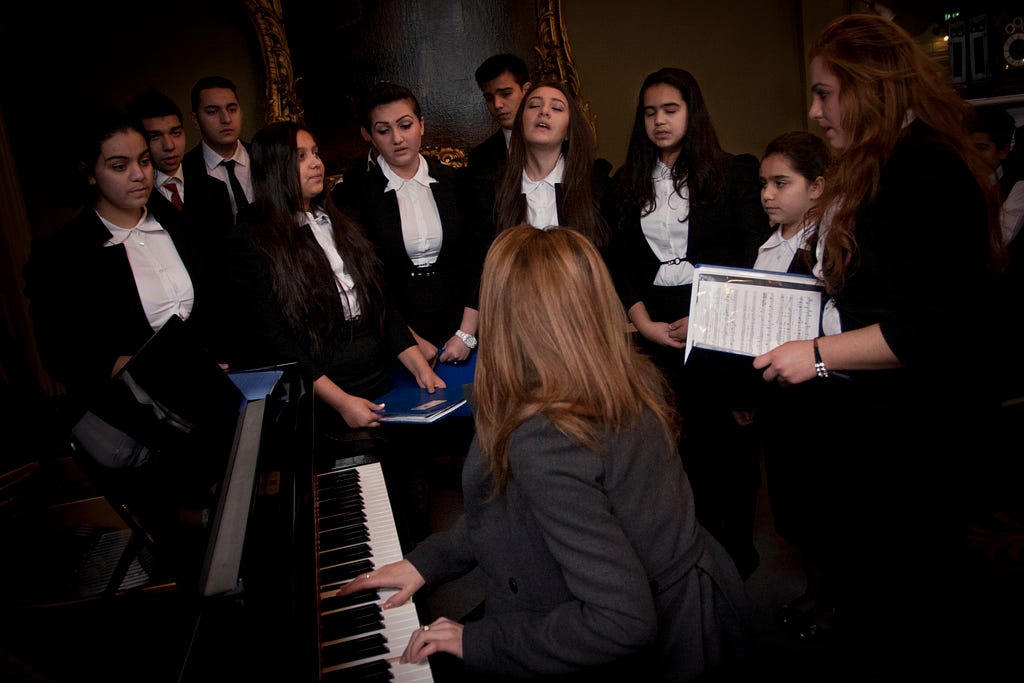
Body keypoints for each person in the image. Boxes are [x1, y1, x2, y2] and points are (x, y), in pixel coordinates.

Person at [337, 225, 753, 683]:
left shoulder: (547, 436)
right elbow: (512, 511)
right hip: (693, 592)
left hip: (651, 634)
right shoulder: (625, 373)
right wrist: (429, 561)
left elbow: (622, 622)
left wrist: (478, 642)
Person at [753, 14, 1006, 680]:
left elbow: (926, 326)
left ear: (870, 87)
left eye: (825, 93)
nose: (814, 110)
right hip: (885, 435)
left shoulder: (926, 169)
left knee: (912, 612)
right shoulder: (888, 162)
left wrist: (815, 354)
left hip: (919, 444)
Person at [223, 120, 444, 545]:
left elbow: (380, 304)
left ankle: (419, 569)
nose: (315, 164)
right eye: (301, 156)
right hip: (323, 396)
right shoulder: (251, 241)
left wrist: (419, 366)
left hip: (377, 378)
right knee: (362, 510)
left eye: (316, 152)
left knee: (408, 484)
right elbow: (277, 344)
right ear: (273, 169)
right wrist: (342, 402)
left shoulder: (337, 218)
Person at [609, 67, 768, 579]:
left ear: (691, 111)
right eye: (650, 112)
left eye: (670, 109)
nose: (659, 121)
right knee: (671, 451)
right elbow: (622, 266)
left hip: (720, 327)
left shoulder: (736, 172)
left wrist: (704, 317)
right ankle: (689, 562)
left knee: (730, 450)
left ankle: (736, 559)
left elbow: (750, 257)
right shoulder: (626, 182)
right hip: (656, 332)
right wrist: (643, 323)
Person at [23, 105, 206, 419]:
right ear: (90, 174)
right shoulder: (61, 255)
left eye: (144, 161)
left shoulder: (177, 224)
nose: (139, 175)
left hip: (206, 395)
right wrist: (166, 369)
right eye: (120, 166)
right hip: (134, 415)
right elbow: (64, 358)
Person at [747, 130, 839, 640]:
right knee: (793, 503)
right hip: (779, 398)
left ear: (818, 187)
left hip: (821, 397)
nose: (767, 194)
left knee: (825, 504)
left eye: (782, 183)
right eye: (764, 183)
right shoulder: (765, 247)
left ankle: (831, 599)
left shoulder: (829, 246)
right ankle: (816, 587)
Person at [334, 82, 482, 366]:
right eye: (383, 130)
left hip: (465, 326)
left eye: (405, 125)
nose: (397, 138)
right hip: (394, 334)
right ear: (369, 136)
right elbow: (363, 277)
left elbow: (479, 260)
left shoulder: (458, 183)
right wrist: (406, 340)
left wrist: (466, 334)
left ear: (422, 125)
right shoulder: (354, 193)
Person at [492, 79, 613, 252]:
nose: (544, 111)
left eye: (556, 108)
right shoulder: (493, 189)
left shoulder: (597, 186)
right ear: (520, 122)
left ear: (568, 131)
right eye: (534, 105)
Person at [126, 87, 234, 233]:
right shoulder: (135, 199)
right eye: (155, 137)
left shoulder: (215, 189)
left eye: (176, 133)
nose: (169, 146)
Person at [182, 75, 252, 221]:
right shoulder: (185, 170)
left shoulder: (263, 157)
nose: (226, 119)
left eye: (232, 109)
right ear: (195, 120)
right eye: (212, 112)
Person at [468, 53, 532, 183]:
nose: (497, 105)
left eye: (505, 94)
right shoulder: (480, 157)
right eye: (489, 98)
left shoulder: (561, 143)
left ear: (526, 90)